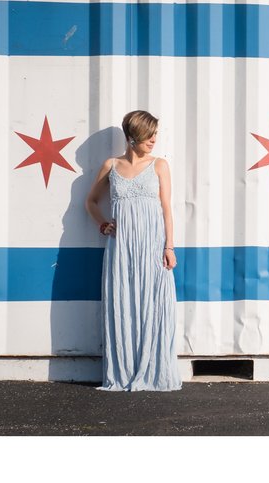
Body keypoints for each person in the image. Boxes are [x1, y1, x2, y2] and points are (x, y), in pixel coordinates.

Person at [85, 110, 182, 391]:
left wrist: (169, 246)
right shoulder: (111, 165)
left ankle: (154, 372)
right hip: (121, 248)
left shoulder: (160, 165)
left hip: (152, 247)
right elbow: (90, 201)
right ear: (131, 138)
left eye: (155, 134)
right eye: (147, 135)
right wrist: (102, 224)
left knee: (154, 304)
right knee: (124, 303)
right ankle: (124, 370)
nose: (153, 139)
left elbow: (166, 209)